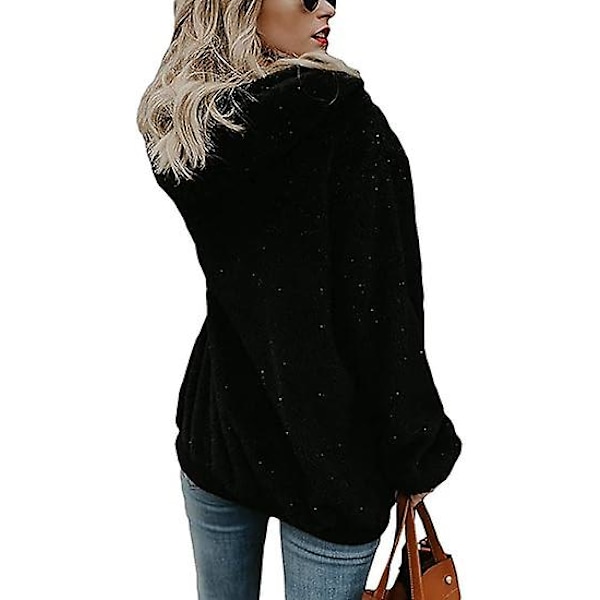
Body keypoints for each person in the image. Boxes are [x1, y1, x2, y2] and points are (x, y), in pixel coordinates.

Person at [137, 1, 463, 598]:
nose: (328, 6)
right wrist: (417, 450)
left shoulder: (194, 132)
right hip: (332, 457)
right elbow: (385, 316)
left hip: (222, 422)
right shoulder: (348, 127)